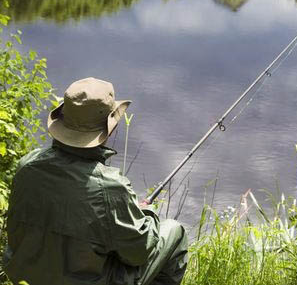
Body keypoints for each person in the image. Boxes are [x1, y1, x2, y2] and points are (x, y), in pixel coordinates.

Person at [3, 77, 188, 285]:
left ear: (62, 121)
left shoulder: (27, 165)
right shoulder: (110, 186)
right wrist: (147, 213)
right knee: (174, 231)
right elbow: (138, 253)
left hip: (25, 277)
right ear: (108, 128)